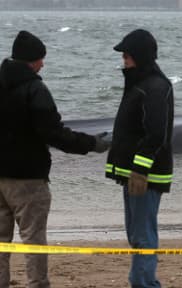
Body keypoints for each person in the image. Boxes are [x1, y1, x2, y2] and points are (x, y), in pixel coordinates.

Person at [0, 31, 110, 288]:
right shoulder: (35, 88)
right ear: (31, 61)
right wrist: (92, 144)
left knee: (0, 241)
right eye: (40, 59)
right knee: (33, 240)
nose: (43, 64)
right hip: (28, 178)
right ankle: (37, 284)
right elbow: (55, 133)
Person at [106, 29, 174, 288]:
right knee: (135, 233)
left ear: (139, 56)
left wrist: (139, 168)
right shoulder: (138, 83)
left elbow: (157, 134)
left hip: (146, 175)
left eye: (127, 55)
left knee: (143, 234)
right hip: (132, 173)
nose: (124, 59)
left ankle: (144, 284)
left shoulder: (156, 87)